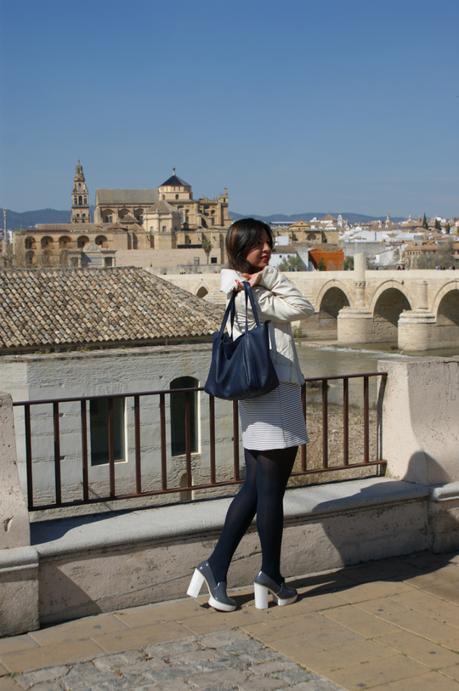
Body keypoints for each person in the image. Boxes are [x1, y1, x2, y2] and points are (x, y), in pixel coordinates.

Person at [187, 218, 314, 611]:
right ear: (240, 247)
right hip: (275, 389)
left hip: (256, 393)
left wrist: (262, 284)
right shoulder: (250, 290)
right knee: (270, 491)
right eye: (258, 244)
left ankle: (216, 566)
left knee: (255, 487)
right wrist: (268, 278)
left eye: (269, 243)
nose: (267, 249)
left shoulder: (236, 287)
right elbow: (303, 307)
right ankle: (269, 575)